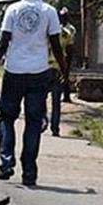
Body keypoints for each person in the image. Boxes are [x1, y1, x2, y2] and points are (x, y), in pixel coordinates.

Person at [0, 0, 66, 186]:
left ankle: (6, 164)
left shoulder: (12, 10)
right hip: (39, 72)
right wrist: (65, 70)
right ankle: (29, 172)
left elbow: (3, 43)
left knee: (6, 117)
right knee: (33, 122)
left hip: (14, 71)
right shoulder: (49, 12)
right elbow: (56, 45)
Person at [46, 8, 76, 136]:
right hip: (57, 69)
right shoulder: (67, 33)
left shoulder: (47, 32)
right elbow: (69, 53)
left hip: (46, 68)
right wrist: (66, 70)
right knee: (55, 101)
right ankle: (54, 127)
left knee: (43, 98)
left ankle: (45, 122)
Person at [59, 8, 77, 103]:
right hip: (59, 54)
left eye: (64, 16)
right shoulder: (59, 27)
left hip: (67, 54)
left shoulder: (70, 29)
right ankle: (63, 94)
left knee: (66, 74)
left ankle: (66, 95)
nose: (63, 18)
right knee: (60, 75)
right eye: (62, 16)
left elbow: (71, 43)